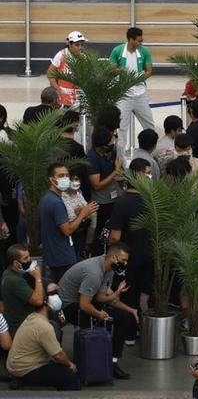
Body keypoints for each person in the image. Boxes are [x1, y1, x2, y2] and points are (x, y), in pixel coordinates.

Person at [58, 242, 137, 380]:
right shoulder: (94, 273)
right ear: (113, 257)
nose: (125, 264)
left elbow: (101, 297)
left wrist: (130, 309)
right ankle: (94, 364)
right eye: (123, 260)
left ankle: (111, 362)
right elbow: (84, 305)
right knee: (101, 321)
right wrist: (99, 314)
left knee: (123, 317)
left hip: (83, 301)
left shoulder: (107, 268)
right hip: (68, 307)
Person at [108, 158, 154, 345]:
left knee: (128, 293)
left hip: (129, 259)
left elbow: (114, 237)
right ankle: (146, 329)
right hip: (149, 256)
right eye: (147, 173)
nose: (150, 177)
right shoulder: (153, 201)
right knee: (145, 293)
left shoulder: (121, 203)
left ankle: (129, 333)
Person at [7, 291, 79, 391]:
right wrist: (70, 364)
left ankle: (19, 381)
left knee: (57, 370)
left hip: (15, 365)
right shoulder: (45, 327)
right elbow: (58, 355)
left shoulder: (32, 316)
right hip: (27, 369)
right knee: (71, 378)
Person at [40, 163, 99, 282]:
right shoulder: (56, 202)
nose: (65, 179)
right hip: (62, 257)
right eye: (61, 175)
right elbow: (67, 230)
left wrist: (80, 215)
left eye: (67, 175)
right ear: (52, 179)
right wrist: (83, 214)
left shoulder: (48, 198)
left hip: (55, 255)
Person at [109, 27, 155, 150]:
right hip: (123, 94)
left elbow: (149, 70)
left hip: (140, 93)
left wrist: (137, 79)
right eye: (139, 41)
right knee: (122, 127)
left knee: (149, 124)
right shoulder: (117, 51)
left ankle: (151, 151)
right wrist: (124, 73)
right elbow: (112, 69)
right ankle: (120, 157)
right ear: (131, 40)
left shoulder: (144, 51)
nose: (141, 43)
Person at [86, 127, 123, 256]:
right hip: (101, 202)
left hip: (113, 198)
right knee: (100, 236)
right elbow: (96, 185)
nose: (112, 144)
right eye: (109, 142)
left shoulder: (108, 154)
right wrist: (115, 172)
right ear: (101, 145)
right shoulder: (93, 159)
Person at [1, 244, 44, 337]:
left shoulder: (7, 273)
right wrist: (38, 278)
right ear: (16, 263)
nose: (29, 260)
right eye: (26, 258)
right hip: (23, 326)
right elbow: (38, 300)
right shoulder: (14, 280)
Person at [46, 31, 87, 109]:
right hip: (63, 98)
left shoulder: (84, 57)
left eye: (81, 45)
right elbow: (50, 72)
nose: (80, 47)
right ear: (70, 44)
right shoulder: (61, 55)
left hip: (80, 96)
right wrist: (57, 89)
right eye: (77, 45)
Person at [61, 169, 96, 260]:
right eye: (71, 179)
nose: (74, 181)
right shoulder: (62, 196)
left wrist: (82, 214)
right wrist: (83, 214)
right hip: (69, 233)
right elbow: (69, 217)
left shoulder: (79, 194)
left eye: (76, 179)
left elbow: (91, 213)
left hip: (80, 232)